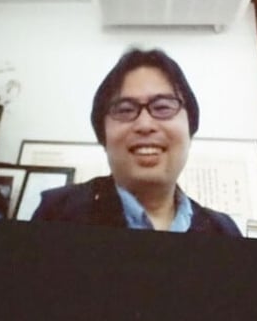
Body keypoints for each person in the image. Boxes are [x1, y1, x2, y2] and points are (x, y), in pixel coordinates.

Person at [32, 48, 241, 236]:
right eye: (125, 110)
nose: (145, 124)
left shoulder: (223, 230)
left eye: (163, 107)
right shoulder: (58, 211)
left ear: (190, 128)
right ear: (102, 135)